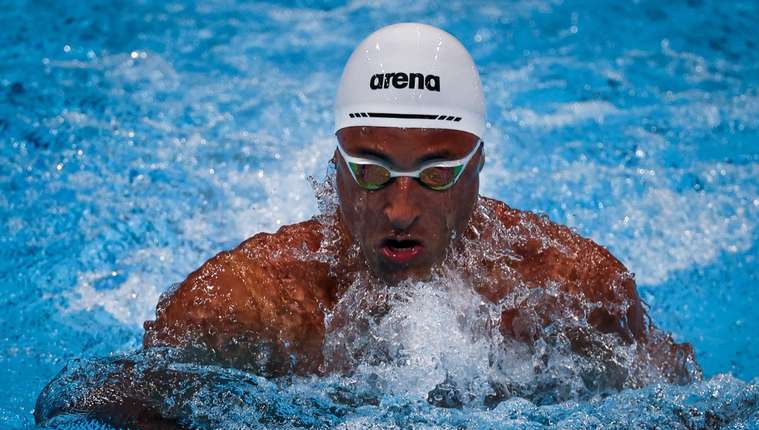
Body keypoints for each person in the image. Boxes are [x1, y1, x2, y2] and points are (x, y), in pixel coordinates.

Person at [140, 23, 698, 387]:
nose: (400, 209)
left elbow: (689, 409)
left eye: (434, 173)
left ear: (477, 165)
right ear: (334, 166)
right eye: (372, 171)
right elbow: (107, 402)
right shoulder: (247, 302)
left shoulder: (570, 290)